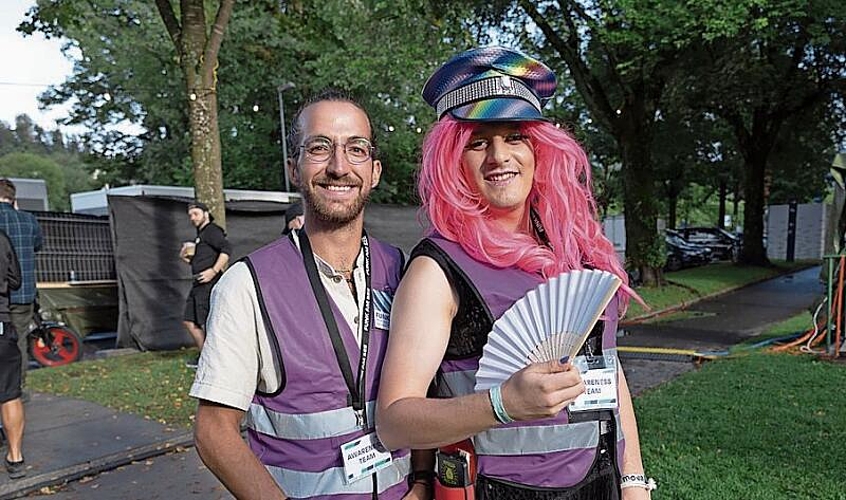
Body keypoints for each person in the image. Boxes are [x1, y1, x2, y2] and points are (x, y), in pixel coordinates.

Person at [376, 47, 654, 499]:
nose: (499, 157)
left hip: (602, 485)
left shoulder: (576, 247)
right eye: (478, 142)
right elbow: (394, 423)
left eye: (515, 137)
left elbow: (608, 368)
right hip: (502, 490)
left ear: (539, 148)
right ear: (452, 160)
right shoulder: (437, 269)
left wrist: (635, 480)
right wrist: (502, 403)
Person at [190, 89, 426, 499]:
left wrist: (422, 484)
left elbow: (425, 396)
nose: (339, 166)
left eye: (356, 149)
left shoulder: (403, 271)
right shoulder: (248, 284)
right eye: (319, 147)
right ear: (294, 170)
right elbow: (214, 432)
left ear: (374, 171)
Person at [0, 178, 43, 393]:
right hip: (23, 293)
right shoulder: (28, 220)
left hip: (1, 295)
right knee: (18, 343)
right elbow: (37, 246)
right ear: (13, 197)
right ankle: (16, 389)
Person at [180, 200, 231, 368]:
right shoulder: (200, 235)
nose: (192, 218)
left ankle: (215, 360)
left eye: (195, 214)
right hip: (198, 283)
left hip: (210, 283)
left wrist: (213, 271)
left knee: (209, 322)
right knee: (189, 321)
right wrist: (186, 258)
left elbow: (226, 250)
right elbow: (199, 260)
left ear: (205, 214)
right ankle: (205, 357)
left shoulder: (212, 231)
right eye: (190, 215)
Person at [0, 228, 25, 479]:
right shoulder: (2, 238)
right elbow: (15, 280)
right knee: (9, 393)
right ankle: (15, 457)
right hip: (0, 323)